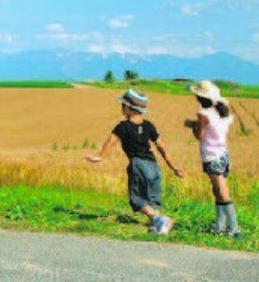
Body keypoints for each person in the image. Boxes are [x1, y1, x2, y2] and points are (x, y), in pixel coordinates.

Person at [86, 88, 185, 235]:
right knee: (152, 199)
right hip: (154, 165)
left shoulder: (123, 126)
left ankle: (160, 219)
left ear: (129, 108)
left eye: (123, 105)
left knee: (136, 199)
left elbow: (111, 141)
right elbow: (161, 148)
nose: (121, 108)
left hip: (137, 164)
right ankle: (157, 227)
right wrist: (174, 167)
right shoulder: (148, 126)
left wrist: (100, 156)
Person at [186, 79, 240, 237]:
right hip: (223, 154)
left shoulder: (203, 114)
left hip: (211, 156)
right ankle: (220, 226)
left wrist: (193, 126)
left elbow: (200, 136)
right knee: (218, 190)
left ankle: (233, 228)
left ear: (200, 98)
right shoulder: (222, 111)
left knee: (222, 191)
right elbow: (215, 128)